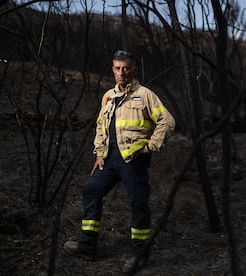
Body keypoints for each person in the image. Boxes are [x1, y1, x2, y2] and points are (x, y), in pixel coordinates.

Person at [63, 50, 175, 272]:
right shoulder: (108, 96)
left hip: (133, 159)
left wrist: (151, 145)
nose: (121, 72)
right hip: (110, 159)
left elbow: (167, 121)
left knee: (137, 203)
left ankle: (140, 256)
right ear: (112, 69)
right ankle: (87, 247)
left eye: (125, 68)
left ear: (133, 70)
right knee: (91, 190)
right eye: (117, 68)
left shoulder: (145, 95)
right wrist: (98, 153)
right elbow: (100, 127)